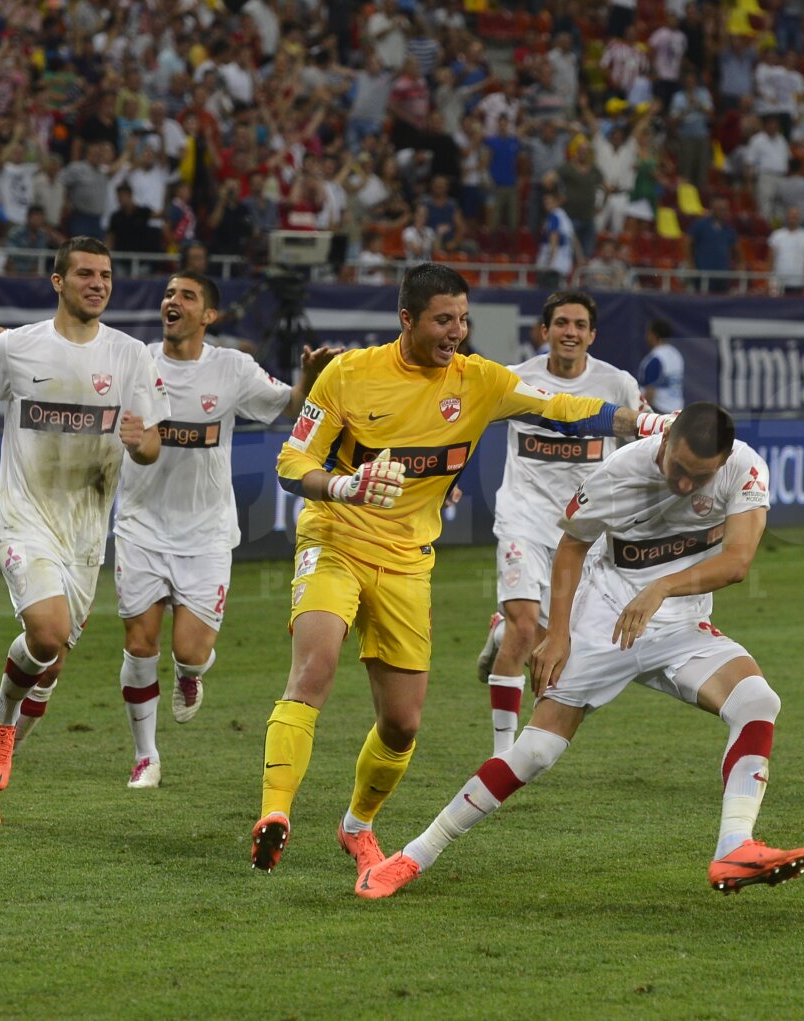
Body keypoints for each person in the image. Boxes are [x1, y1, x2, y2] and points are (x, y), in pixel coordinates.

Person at [252, 262, 673, 875]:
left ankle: (357, 825)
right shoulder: (349, 374)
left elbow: (564, 407)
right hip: (335, 538)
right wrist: (344, 487)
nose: (457, 330)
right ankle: (275, 815)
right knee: (314, 667)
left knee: (401, 724)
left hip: (407, 560)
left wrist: (647, 422)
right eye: (443, 319)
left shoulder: (477, 381)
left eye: (464, 318)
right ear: (407, 319)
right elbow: (293, 463)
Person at [356, 402, 804, 899]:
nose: (684, 485)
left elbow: (738, 560)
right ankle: (413, 856)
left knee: (757, 701)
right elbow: (572, 547)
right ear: (666, 444)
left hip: (681, 625)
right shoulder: (620, 473)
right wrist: (561, 635)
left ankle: (733, 847)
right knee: (536, 752)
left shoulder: (743, 467)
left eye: (698, 477)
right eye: (678, 469)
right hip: (605, 622)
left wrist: (659, 589)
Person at [0, 271, 340, 788]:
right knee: (139, 643)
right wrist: (14, 345)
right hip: (140, 526)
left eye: (187, 296)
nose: (173, 301)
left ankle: (190, 678)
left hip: (207, 533)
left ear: (208, 315)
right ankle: (146, 756)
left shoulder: (232, 368)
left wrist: (307, 380)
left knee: (189, 651)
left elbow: (291, 408)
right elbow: (73, 359)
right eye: (169, 294)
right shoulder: (137, 360)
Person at [0, 237, 170, 826]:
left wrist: (139, 443)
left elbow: (150, 442)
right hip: (24, 520)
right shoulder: (15, 347)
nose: (98, 283)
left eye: (106, 275)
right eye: (86, 274)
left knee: (51, 666)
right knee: (45, 636)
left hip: (86, 536)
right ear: (58, 281)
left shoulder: (130, 356)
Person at [474, 291, 649, 757]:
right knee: (525, 625)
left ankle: (500, 631)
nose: (569, 332)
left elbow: (641, 445)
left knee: (557, 640)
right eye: (561, 323)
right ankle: (501, 755)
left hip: (583, 530)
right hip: (523, 518)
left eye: (578, 325)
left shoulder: (618, 385)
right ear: (545, 331)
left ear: (592, 334)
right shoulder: (516, 380)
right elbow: (467, 426)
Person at [638, 318, 685, 413]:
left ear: (653, 335)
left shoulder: (656, 359)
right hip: (677, 410)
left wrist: (642, 415)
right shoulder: (676, 354)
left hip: (659, 410)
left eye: (648, 333)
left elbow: (651, 392)